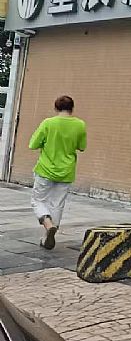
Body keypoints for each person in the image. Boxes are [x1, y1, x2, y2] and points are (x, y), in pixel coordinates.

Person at [28, 96, 87, 250]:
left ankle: (48, 224)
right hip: (66, 171)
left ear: (56, 108)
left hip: (45, 170)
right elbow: (82, 147)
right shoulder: (80, 125)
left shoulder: (48, 123)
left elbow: (33, 144)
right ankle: (49, 234)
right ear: (72, 108)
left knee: (38, 200)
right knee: (57, 204)